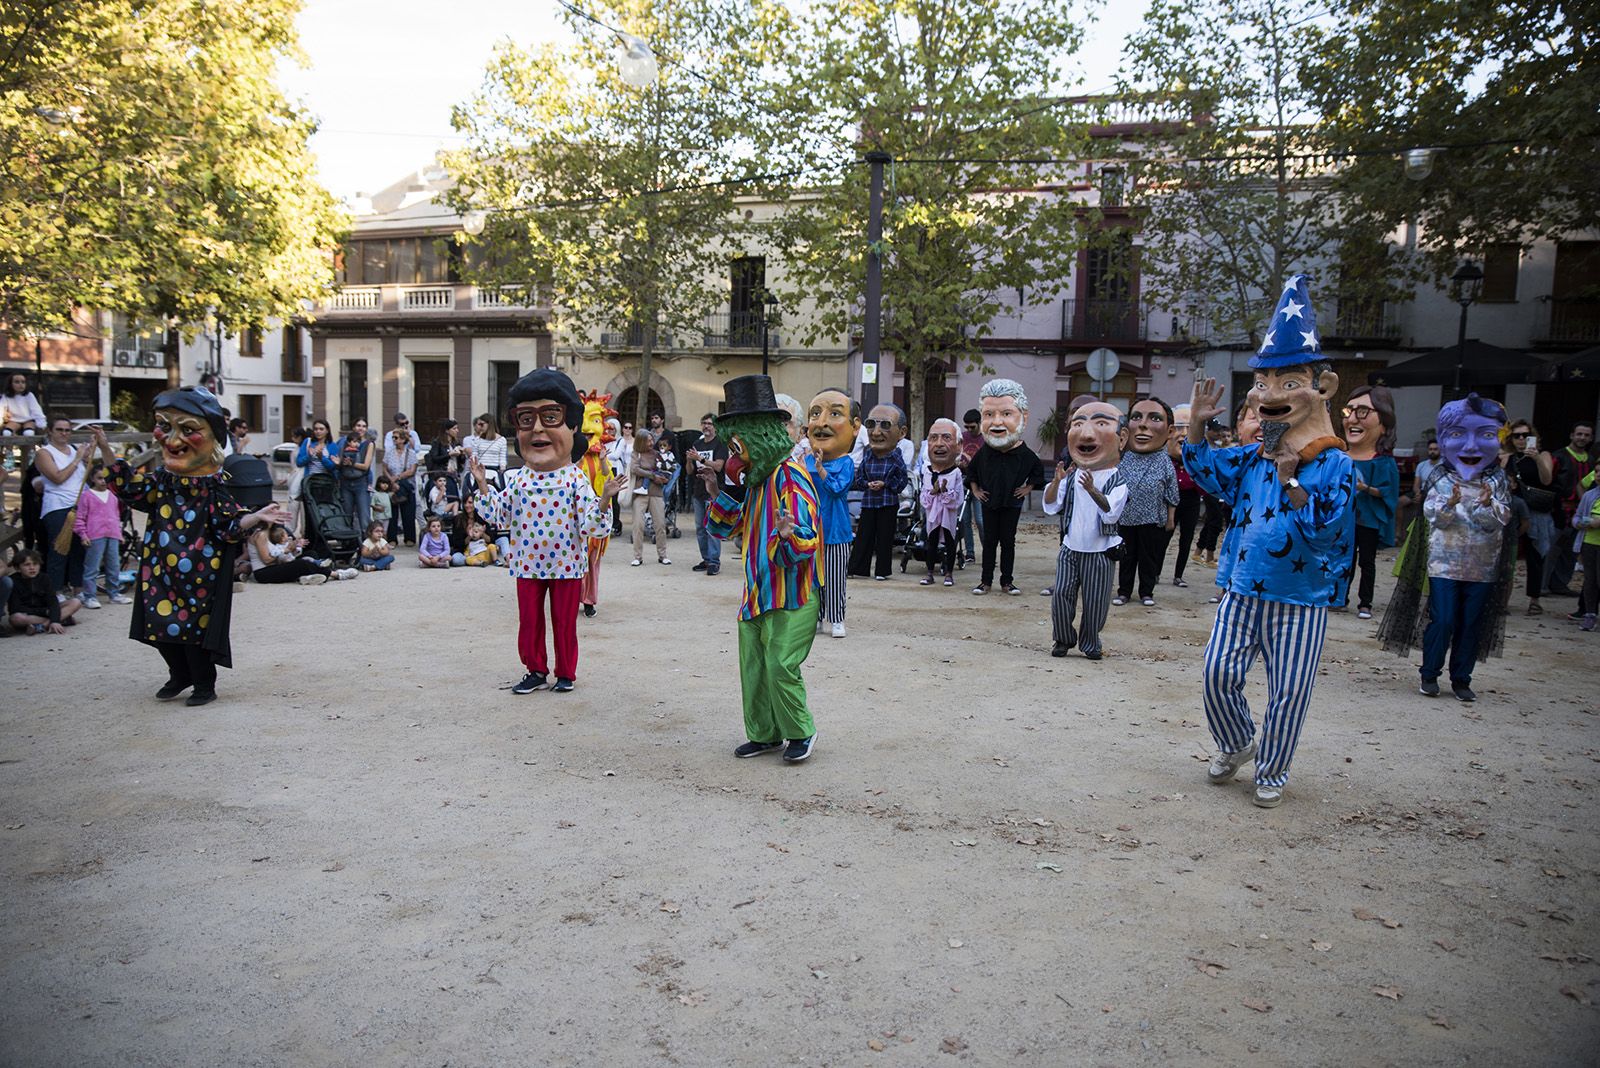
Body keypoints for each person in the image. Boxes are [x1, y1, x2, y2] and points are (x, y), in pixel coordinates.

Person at [1183, 275, 1355, 808]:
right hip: (1242, 589)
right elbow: (1207, 473)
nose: (1270, 396)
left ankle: (1273, 770)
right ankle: (1237, 742)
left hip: (1301, 599)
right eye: (1263, 384)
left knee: (1289, 692)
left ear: (1321, 388)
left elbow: (1328, 531)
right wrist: (1194, 426)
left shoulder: (1335, 463)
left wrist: (1292, 480)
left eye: (1289, 382)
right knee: (1217, 673)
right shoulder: (1250, 456)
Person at [93, 392, 291, 705]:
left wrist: (257, 515)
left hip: (200, 575)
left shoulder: (212, 486)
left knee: (193, 633)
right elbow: (127, 486)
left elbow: (229, 524)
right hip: (160, 572)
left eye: (187, 429)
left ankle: (203, 684)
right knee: (157, 627)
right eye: (164, 426)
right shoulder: (161, 481)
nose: (172, 439)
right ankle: (179, 674)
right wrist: (104, 447)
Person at [471, 368, 626, 694]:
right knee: (529, 622)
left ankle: (566, 672)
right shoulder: (518, 479)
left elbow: (591, 524)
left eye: (550, 416)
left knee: (564, 623)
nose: (538, 428)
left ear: (571, 425)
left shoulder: (574, 478)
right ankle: (535, 670)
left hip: (567, 565)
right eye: (526, 418)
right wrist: (483, 483)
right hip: (527, 564)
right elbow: (499, 514)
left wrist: (605, 498)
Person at [700, 374, 823, 763]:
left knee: (779, 663)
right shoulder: (757, 479)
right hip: (756, 592)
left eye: (739, 446)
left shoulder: (790, 475)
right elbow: (728, 527)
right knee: (753, 667)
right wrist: (719, 491)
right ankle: (765, 733)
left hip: (792, 594)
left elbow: (807, 537)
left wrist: (787, 534)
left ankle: (800, 730)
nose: (735, 456)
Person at [1379, 394, 1515, 700]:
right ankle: (1430, 674)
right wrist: (1451, 504)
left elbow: (1500, 519)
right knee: (1443, 619)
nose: (1470, 446)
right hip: (1445, 562)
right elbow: (1434, 518)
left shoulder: (1497, 480)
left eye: (1485, 435)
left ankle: (1461, 678)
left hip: (1482, 565)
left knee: (1471, 622)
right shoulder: (1440, 477)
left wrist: (1485, 505)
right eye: (1458, 435)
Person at [1042, 402, 1129, 660]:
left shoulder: (1116, 479)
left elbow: (1111, 511)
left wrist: (1092, 490)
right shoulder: (1070, 476)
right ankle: (1063, 638)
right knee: (1061, 594)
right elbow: (1051, 504)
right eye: (1078, 424)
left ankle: (1090, 643)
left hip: (1100, 551)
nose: (1086, 434)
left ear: (1122, 439)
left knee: (1095, 602)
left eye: (1101, 424)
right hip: (1070, 547)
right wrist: (1057, 482)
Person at [967, 380, 1045, 595]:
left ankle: (1007, 582)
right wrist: (975, 490)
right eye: (989, 414)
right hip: (989, 502)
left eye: (1006, 414)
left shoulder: (1026, 454)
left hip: (1011, 503)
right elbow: (971, 472)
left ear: (1023, 418)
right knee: (989, 543)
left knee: (1008, 543)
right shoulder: (984, 452)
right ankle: (985, 582)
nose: (997, 422)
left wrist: (1027, 489)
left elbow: (1037, 475)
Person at [1113, 396, 1179, 608]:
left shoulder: (1164, 460)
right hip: (1126, 517)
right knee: (1127, 557)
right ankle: (1124, 592)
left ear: (1169, 431)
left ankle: (1146, 592)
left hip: (1153, 518)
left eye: (1154, 418)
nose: (1143, 425)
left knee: (1149, 558)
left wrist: (1170, 518)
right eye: (1136, 417)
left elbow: (1171, 491)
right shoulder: (1123, 457)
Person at [1341, 385, 1400, 619]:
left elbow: (1389, 493)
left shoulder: (1383, 462)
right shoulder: (1340, 456)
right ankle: (1339, 597)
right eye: (1349, 411)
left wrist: (1366, 488)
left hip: (1368, 520)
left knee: (1367, 562)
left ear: (1384, 422)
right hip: (1344, 520)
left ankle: (1365, 603)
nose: (1353, 418)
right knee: (1345, 560)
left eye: (1363, 411)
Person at [804, 390, 859, 633]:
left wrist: (821, 470)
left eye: (834, 413)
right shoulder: (804, 462)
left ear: (854, 427)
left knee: (835, 578)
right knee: (813, 579)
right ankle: (815, 617)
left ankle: (836, 619)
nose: (822, 422)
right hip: (810, 531)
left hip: (836, 530)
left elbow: (838, 489)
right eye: (815, 414)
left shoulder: (845, 463)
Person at [848, 403, 909, 581]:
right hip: (868, 502)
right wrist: (868, 485)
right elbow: (859, 479)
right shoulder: (867, 455)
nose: (876, 432)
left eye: (885, 425)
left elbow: (902, 480)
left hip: (888, 502)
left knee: (885, 537)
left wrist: (887, 484)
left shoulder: (896, 457)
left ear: (902, 432)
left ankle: (882, 571)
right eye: (871, 424)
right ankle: (858, 568)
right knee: (863, 536)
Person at [1505, 419, 1557, 615]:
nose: (1521, 439)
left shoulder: (1543, 455)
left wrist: (1536, 459)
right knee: (1508, 556)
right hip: (1514, 511)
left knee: (1536, 556)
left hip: (1536, 512)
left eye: (1525, 435)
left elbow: (1547, 480)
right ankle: (1503, 601)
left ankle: (1535, 600)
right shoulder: (1508, 458)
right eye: (1516, 435)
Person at [35, 414, 90, 598]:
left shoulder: (75, 449)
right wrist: (77, 460)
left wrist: (85, 457)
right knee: (58, 550)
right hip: (58, 506)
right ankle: (56, 590)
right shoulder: (44, 452)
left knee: (79, 549)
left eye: (67, 430)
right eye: (59, 429)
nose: (64, 433)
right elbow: (57, 478)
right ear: (50, 431)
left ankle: (78, 589)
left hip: (80, 504)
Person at [577, 390, 620, 616]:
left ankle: (589, 600)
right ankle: (572, 598)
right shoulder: (571, 456)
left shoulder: (601, 455)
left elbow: (607, 479)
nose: (587, 430)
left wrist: (603, 461)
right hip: (575, 517)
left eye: (594, 420)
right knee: (575, 558)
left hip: (597, 514)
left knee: (592, 560)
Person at [1546, 420, 1595, 598]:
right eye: (1579, 434)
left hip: (1581, 513)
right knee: (1551, 550)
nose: (1582, 438)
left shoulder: (1591, 461)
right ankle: (1543, 586)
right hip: (1559, 510)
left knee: (1571, 552)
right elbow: (1548, 481)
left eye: (1586, 435)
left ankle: (1560, 584)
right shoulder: (1558, 456)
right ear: (1572, 435)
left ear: (1591, 438)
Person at [73, 462, 132, 608]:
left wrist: (119, 534)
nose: (103, 481)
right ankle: (90, 596)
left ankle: (114, 593)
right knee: (92, 567)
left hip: (112, 535)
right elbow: (79, 518)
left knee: (114, 565)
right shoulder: (86, 496)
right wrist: (83, 535)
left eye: (105, 478)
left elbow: (115, 516)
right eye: (99, 478)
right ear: (92, 478)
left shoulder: (112, 497)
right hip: (95, 535)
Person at [919, 419, 964, 587]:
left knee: (951, 542)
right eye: (933, 438)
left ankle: (949, 573)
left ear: (958, 445)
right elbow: (924, 497)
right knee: (931, 541)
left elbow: (957, 499)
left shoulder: (956, 473)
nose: (939, 444)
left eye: (946, 438)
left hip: (948, 514)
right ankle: (929, 573)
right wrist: (934, 491)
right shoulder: (926, 471)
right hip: (932, 514)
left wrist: (944, 491)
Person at [688, 413, 730, 578]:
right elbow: (690, 471)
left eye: (709, 423)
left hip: (713, 491)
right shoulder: (697, 443)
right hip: (698, 491)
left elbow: (719, 466)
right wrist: (688, 460)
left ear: (715, 427)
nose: (706, 426)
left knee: (712, 527)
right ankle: (705, 559)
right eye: (703, 423)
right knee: (700, 528)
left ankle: (714, 561)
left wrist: (700, 459)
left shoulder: (720, 443)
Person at [1167, 404, 1201, 589]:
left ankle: (1178, 575)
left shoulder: (1196, 460)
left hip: (1191, 500)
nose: (1184, 433)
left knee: (1186, 539)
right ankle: (1154, 572)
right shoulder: (1164, 461)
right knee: (1163, 538)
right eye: (1179, 427)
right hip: (1171, 500)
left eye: (1189, 428)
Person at [7, 549, 80, 633]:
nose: (32, 568)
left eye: (35, 564)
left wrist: (54, 621)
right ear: (18, 568)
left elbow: (53, 601)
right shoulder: (13, 581)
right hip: (29, 614)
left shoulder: (44, 578)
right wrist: (45, 612)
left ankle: (43, 625)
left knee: (75, 602)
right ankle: (62, 620)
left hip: (46, 609)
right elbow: (15, 608)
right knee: (15, 618)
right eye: (27, 565)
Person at [247, 524, 347, 585]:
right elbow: (267, 560)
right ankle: (334, 574)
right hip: (263, 572)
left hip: (277, 564)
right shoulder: (261, 535)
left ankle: (306, 577)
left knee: (311, 553)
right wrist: (287, 550)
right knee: (302, 563)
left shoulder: (270, 532)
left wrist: (294, 548)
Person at [629, 430, 671, 566]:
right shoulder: (637, 454)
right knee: (638, 525)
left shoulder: (657, 454)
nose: (651, 443)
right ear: (641, 441)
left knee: (660, 524)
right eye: (648, 440)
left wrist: (664, 478)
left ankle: (662, 555)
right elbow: (634, 469)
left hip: (656, 492)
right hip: (640, 493)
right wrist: (652, 476)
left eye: (652, 440)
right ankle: (637, 556)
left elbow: (666, 468)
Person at [382, 419, 420, 545]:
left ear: (403, 439)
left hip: (407, 485)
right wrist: (390, 481)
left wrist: (397, 477)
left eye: (396, 437)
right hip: (392, 486)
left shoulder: (411, 453)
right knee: (392, 513)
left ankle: (409, 538)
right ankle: (392, 539)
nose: (394, 440)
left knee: (408, 512)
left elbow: (412, 470)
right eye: (393, 438)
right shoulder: (389, 453)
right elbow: (385, 468)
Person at [957, 408, 984, 566]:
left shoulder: (986, 439)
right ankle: (970, 553)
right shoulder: (962, 437)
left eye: (972, 427)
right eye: (966, 427)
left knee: (981, 520)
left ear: (980, 423)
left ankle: (988, 550)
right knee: (964, 519)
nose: (968, 430)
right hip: (964, 481)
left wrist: (970, 460)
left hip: (980, 484)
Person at [1572, 480, 1600, 630]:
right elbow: (1577, 516)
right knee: (1590, 581)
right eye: (1596, 471)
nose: (1598, 475)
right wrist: (1580, 523)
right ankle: (1590, 615)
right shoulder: (1589, 495)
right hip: (1588, 543)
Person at [462, 413, 508, 497]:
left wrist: (502, 471)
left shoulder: (502, 440)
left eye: (481, 424)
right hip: (480, 469)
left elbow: (502, 458)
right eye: (478, 424)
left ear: (489, 424)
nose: (479, 427)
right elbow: (474, 455)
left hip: (495, 471)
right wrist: (472, 467)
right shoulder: (477, 440)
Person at [606, 417, 635, 535]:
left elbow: (616, 455)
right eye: (609, 428)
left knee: (614, 500)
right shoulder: (605, 440)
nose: (611, 431)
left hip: (615, 470)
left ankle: (616, 524)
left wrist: (603, 455)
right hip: (605, 469)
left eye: (613, 429)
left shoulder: (620, 441)